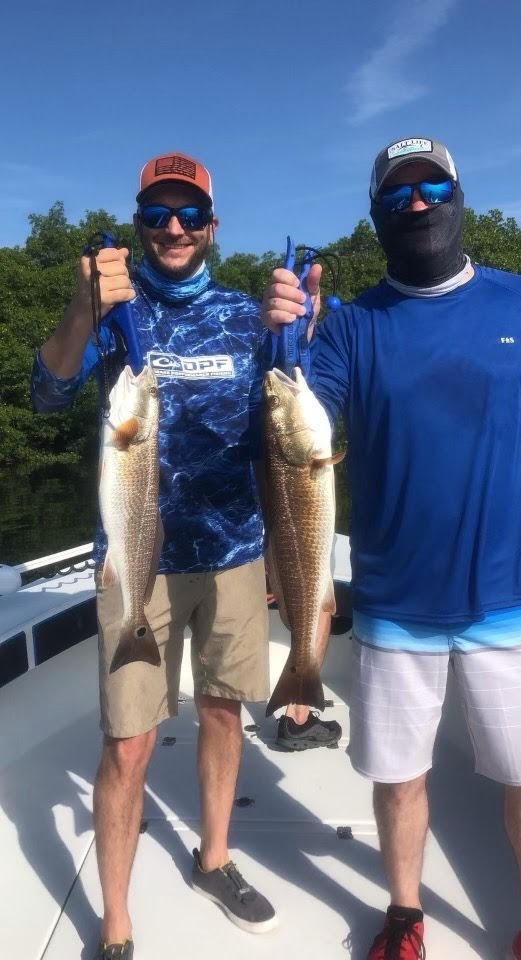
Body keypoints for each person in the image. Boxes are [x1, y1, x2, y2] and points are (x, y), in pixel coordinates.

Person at [260, 135, 521, 960]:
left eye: (429, 189)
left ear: (458, 194)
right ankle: (406, 915)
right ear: (376, 213)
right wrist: (282, 339)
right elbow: (289, 428)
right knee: (399, 778)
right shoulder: (348, 326)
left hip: (512, 598)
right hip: (391, 602)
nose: (414, 205)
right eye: (395, 195)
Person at [32, 151, 280, 960]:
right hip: (136, 558)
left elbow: (282, 434)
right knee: (128, 740)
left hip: (236, 550)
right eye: (157, 215)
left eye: (188, 214)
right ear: (139, 224)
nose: (173, 228)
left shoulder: (247, 316)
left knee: (220, 710)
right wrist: (80, 303)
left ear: (211, 226)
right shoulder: (112, 312)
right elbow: (47, 390)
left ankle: (214, 859)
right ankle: (115, 923)